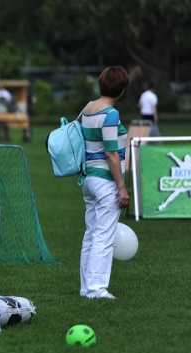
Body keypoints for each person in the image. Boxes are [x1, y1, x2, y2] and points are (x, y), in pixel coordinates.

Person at [80, 66, 130, 300]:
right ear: (121, 89)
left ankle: (86, 287)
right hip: (105, 181)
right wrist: (122, 187)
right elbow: (111, 154)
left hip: (88, 179)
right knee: (103, 236)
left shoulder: (88, 108)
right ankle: (96, 289)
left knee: (91, 235)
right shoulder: (111, 114)